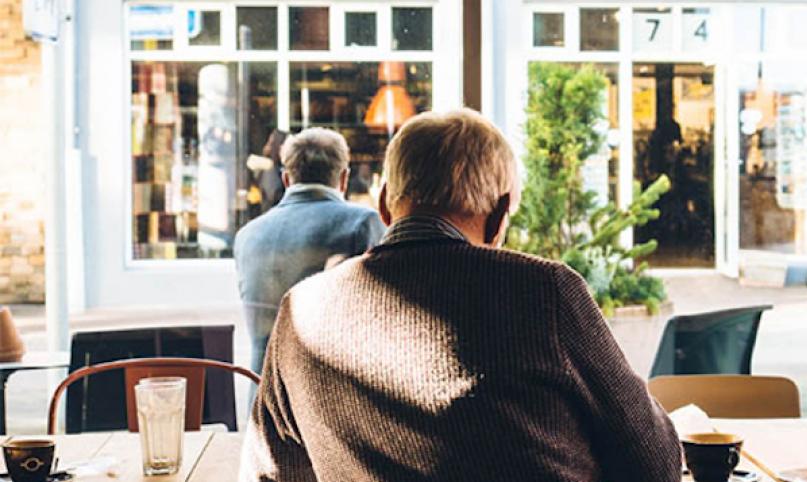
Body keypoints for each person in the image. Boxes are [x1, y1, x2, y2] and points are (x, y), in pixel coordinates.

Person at [240, 109, 682, 482]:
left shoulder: (300, 312)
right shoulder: (545, 293)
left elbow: (272, 473)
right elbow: (655, 464)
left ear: (385, 203)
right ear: (499, 217)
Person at [234, 127, 385, 375]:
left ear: (286, 179)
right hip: (326, 396)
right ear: (344, 178)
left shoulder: (247, 235)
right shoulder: (361, 223)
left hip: (261, 394)